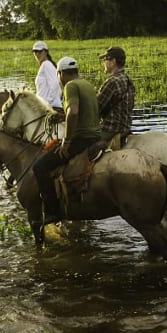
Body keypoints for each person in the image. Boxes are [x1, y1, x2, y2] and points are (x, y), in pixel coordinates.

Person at [32, 56, 101, 226]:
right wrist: (62, 116)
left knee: (40, 167)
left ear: (61, 73)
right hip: (95, 136)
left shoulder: (70, 86)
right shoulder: (87, 85)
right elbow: (83, 112)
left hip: (81, 139)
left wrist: (67, 141)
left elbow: (75, 112)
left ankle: (53, 212)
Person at [97, 46, 135, 150]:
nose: (104, 62)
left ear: (113, 61)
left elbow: (96, 108)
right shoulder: (128, 80)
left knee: (82, 146)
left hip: (110, 130)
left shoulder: (112, 82)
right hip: (126, 128)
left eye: (105, 59)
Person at [31, 41, 63, 112]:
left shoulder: (46, 65)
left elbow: (55, 85)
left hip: (49, 107)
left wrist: (47, 103)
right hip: (43, 107)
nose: (37, 54)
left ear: (46, 52)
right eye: (35, 52)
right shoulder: (46, 65)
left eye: (39, 51)